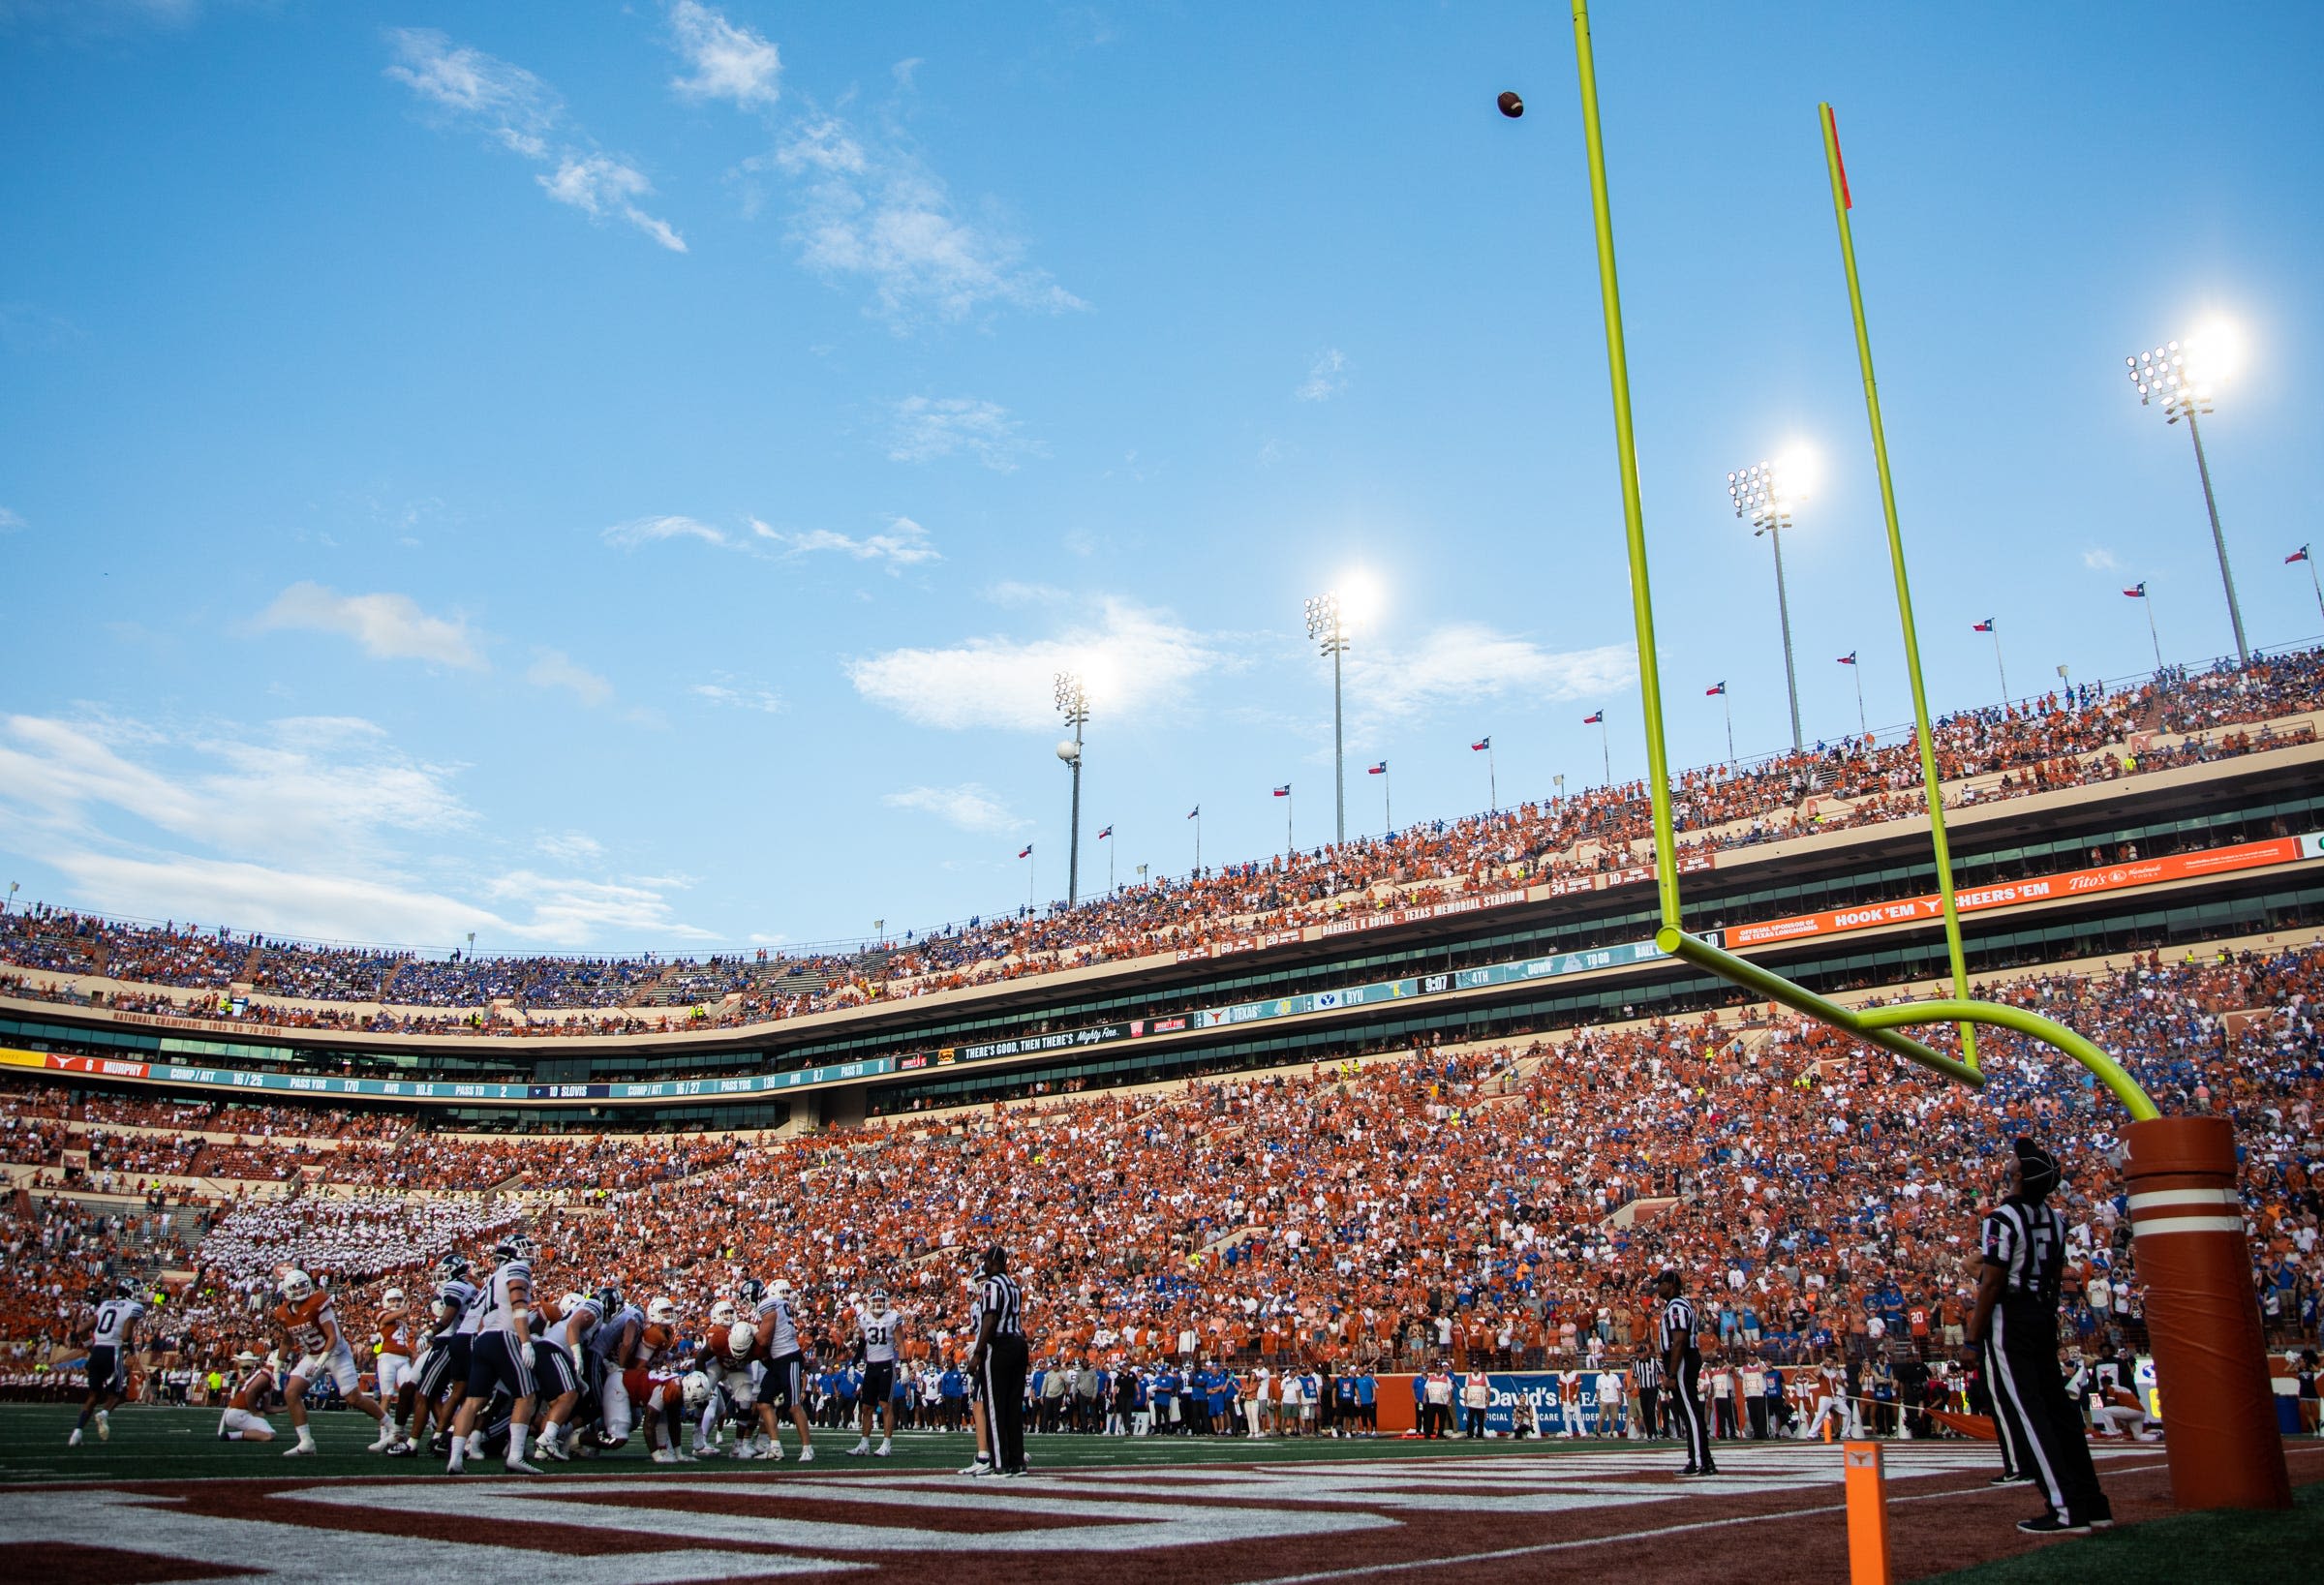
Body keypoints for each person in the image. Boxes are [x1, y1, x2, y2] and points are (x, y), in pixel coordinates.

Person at [1966, 1139, 2111, 1535]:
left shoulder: (2001, 1219)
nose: (2010, 1160)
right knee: (2060, 1412)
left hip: (2012, 1318)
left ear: (2019, 1176)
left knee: (2031, 1414)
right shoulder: (2055, 1218)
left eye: (2016, 1160)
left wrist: (1972, 1338)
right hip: (2043, 1314)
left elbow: (1993, 1282)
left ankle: (2065, 1509)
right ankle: (2093, 1501)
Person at [964, 1244, 1028, 1477]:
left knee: (995, 1406)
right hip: (1019, 1344)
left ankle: (999, 1462)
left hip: (1000, 1345)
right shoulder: (1014, 1285)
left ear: (994, 1262)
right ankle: (1017, 1461)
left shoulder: (992, 1285)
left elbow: (990, 1319)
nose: (984, 1265)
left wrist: (978, 1354)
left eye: (986, 1262)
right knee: (1013, 1406)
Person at [1653, 1268, 1715, 1477]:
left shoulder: (1676, 1306)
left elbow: (1679, 1340)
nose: (1657, 1287)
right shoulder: (1676, 1305)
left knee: (1690, 1409)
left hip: (1682, 1359)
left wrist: (1670, 1374)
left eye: (1660, 1284)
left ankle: (1700, 1460)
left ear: (1670, 1285)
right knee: (1688, 1411)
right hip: (1682, 1358)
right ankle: (1699, 1458)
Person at [70, 1278, 145, 1447]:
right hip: (113, 1351)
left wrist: (90, 1347)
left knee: (93, 1396)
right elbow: (126, 1335)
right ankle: (104, 1414)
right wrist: (131, 1349)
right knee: (119, 1394)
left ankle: (76, 1433)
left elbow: (81, 1329)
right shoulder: (134, 1307)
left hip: (97, 1351)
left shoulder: (105, 1305)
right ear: (130, 1291)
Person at [848, 1288, 904, 1457]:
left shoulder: (893, 1317)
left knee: (885, 1405)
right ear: (871, 1303)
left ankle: (886, 1444)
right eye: (876, 1300)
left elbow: (900, 1343)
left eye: (882, 1300)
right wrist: (853, 1363)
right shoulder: (864, 1318)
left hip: (886, 1364)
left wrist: (904, 1365)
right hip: (870, 1366)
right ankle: (864, 1444)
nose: (879, 1303)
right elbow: (861, 1344)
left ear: (886, 1302)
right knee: (866, 1407)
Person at [216, 1351, 277, 1443]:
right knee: (269, 1434)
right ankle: (233, 1435)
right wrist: (255, 1412)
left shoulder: (260, 1374)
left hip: (238, 1411)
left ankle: (231, 1435)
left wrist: (290, 1407)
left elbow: (267, 1408)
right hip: (240, 1411)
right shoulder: (264, 1375)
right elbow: (249, 1392)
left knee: (267, 1432)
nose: (247, 1364)